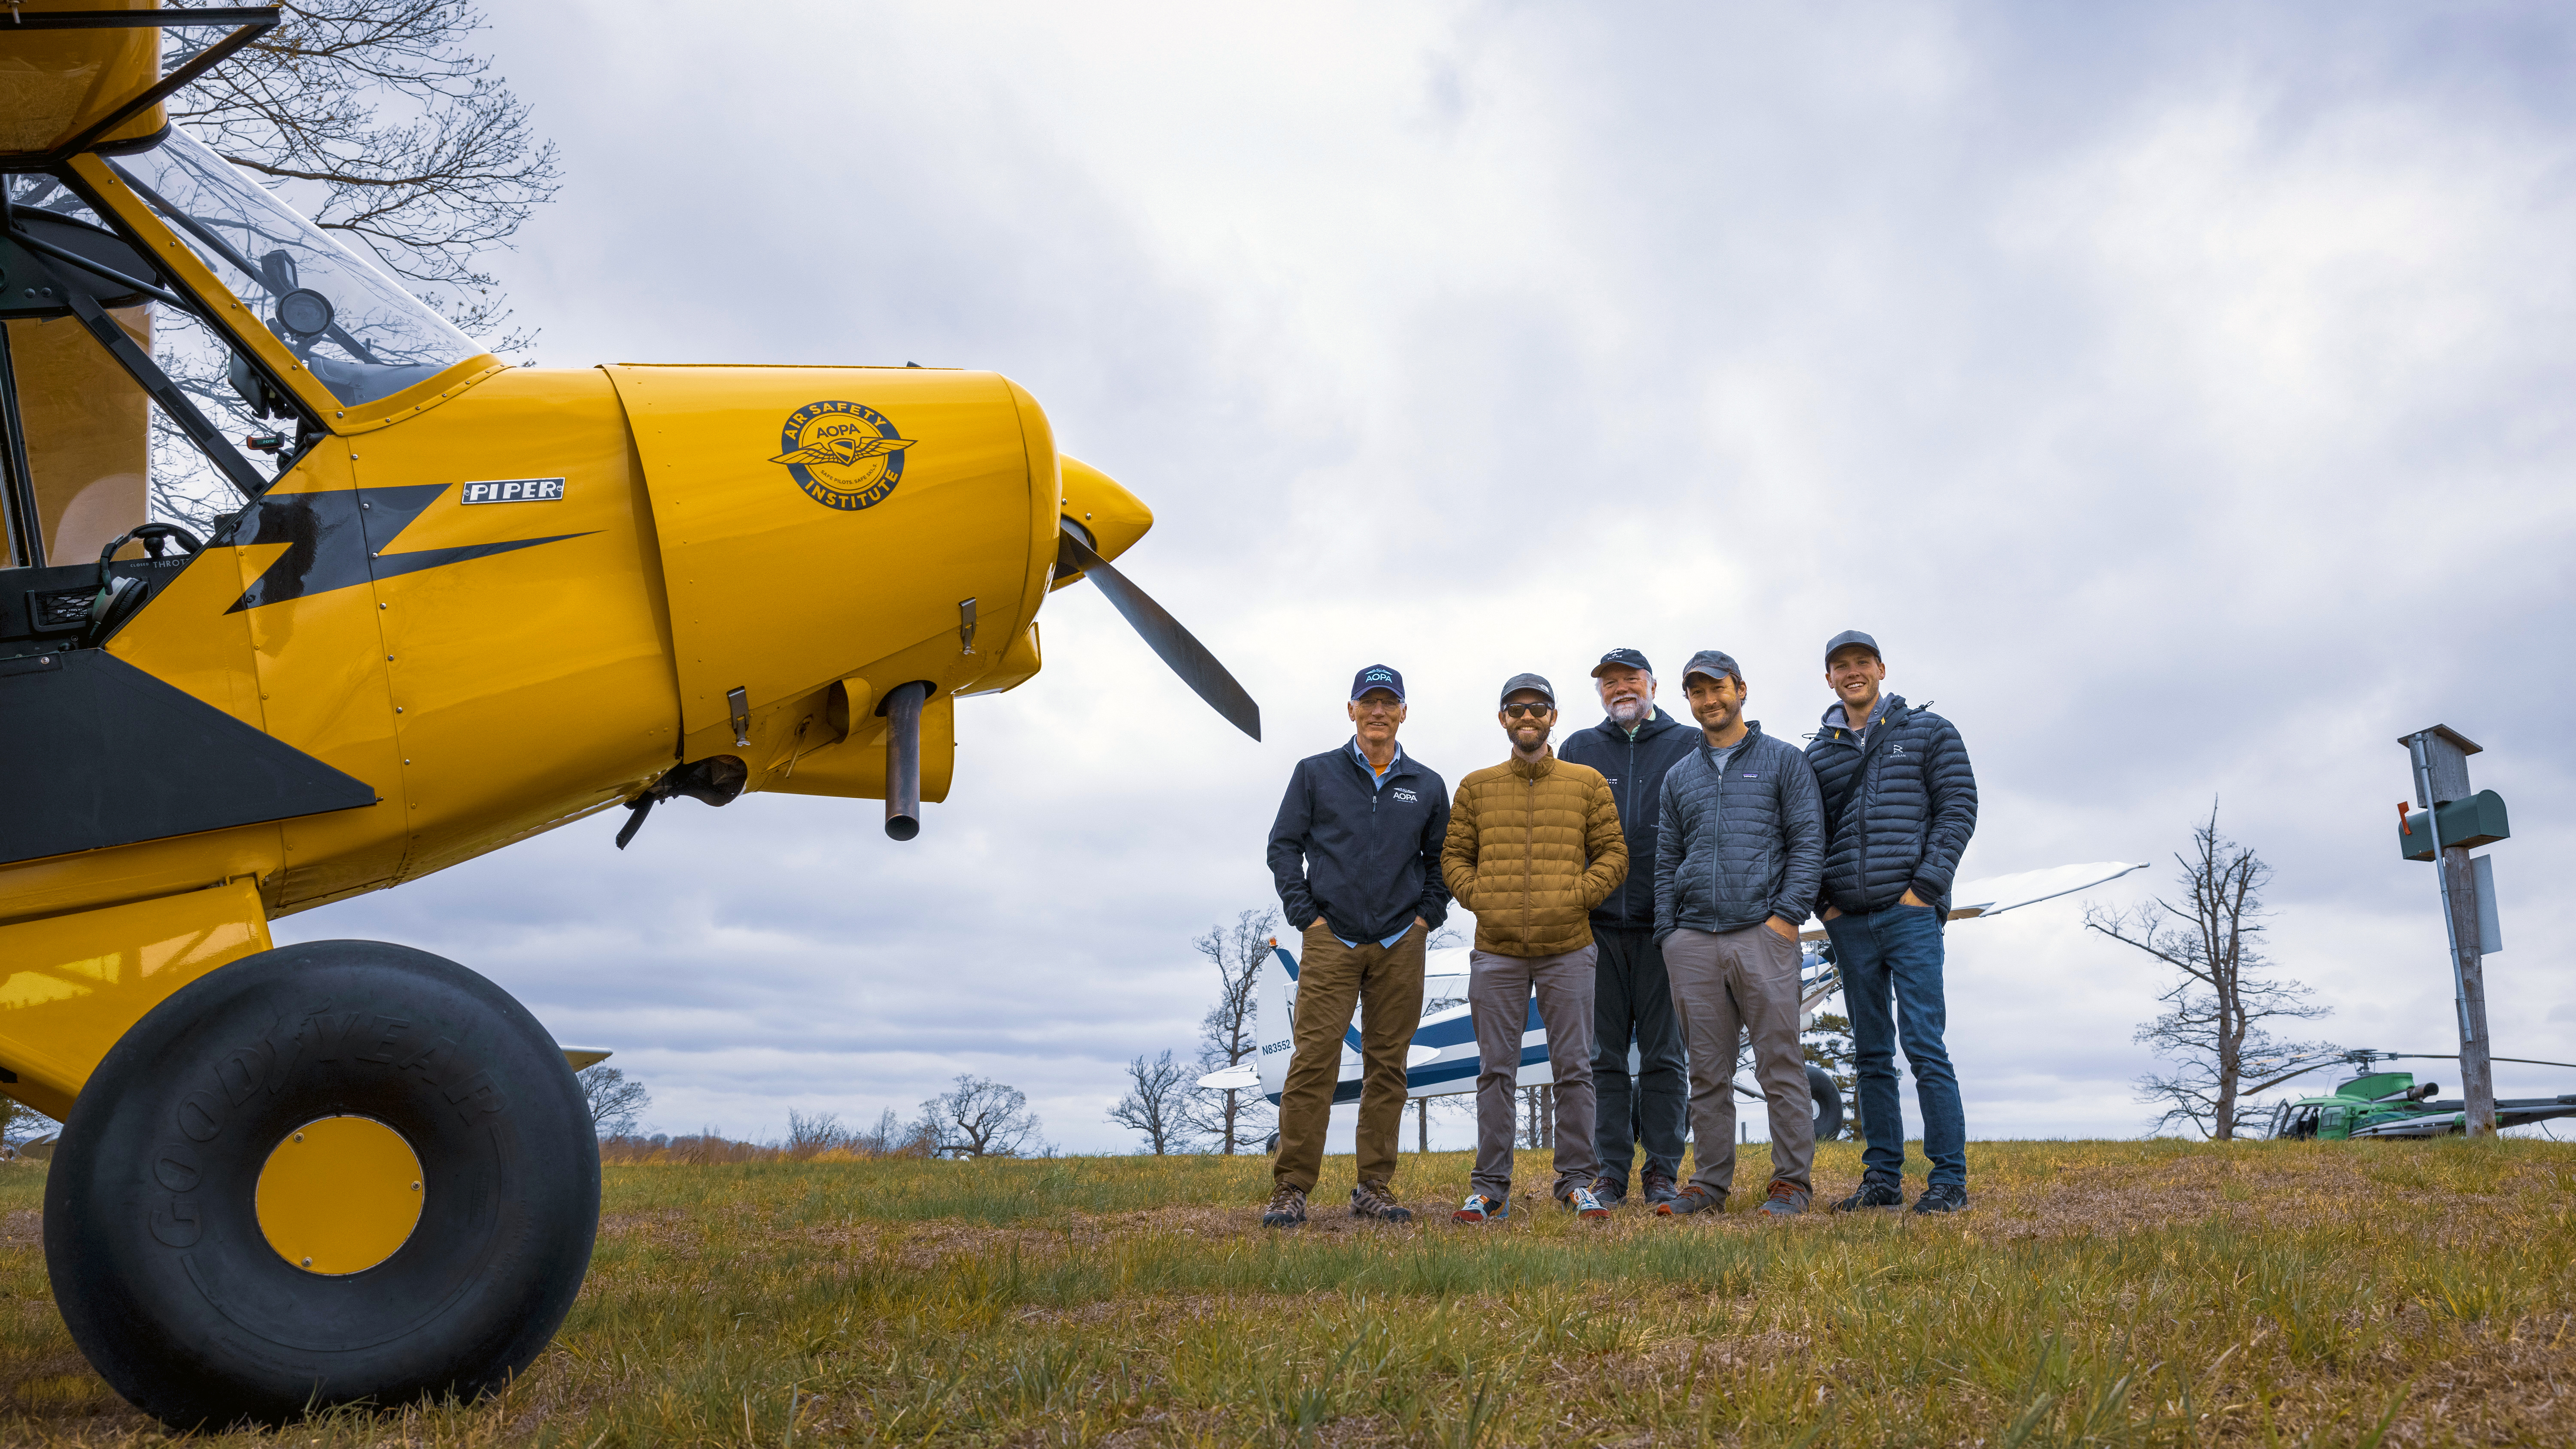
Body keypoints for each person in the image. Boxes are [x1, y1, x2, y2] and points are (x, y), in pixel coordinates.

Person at [1262, 664, 1452, 1227]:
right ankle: (1291, 1187)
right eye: (1368, 702)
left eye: (1388, 702)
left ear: (1403, 712)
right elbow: (1283, 846)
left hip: (1400, 943)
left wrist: (1425, 920)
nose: (1378, 711)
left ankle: (1373, 1186)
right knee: (1312, 1063)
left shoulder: (1427, 784)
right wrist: (1307, 918)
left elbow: (1442, 861)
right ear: (1351, 710)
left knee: (1388, 1068)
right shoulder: (1315, 773)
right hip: (1332, 941)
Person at [1440, 673, 1627, 1223]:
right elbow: (1454, 858)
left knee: (1575, 1068)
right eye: (1517, 708)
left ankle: (1576, 1183)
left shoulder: (1586, 783)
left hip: (1569, 946)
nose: (1528, 717)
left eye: (1538, 708)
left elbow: (1614, 854)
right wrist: (1484, 899)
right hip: (1496, 950)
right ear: (1503, 718)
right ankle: (1489, 1189)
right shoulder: (1475, 787)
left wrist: (1575, 898)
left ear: (1553, 717)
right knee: (1495, 1071)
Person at [1805, 630, 1979, 1215]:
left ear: (1881, 668)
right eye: (1840, 666)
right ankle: (1882, 1178)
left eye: (1862, 662)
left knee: (1925, 1045)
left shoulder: (1930, 732)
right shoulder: (1818, 756)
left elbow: (1958, 809)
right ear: (1829, 678)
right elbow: (1806, 835)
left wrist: (1923, 891)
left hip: (1910, 916)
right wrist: (1826, 905)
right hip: (1849, 923)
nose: (1852, 672)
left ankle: (1948, 1180)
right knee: (1872, 1055)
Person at [1651, 650, 1826, 1218]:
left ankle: (1792, 1183)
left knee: (1780, 1063)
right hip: (1693, 940)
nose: (1709, 700)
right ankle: (1708, 1185)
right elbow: (1666, 858)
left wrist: (1786, 918)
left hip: (1763, 933)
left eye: (1718, 688)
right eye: (1697, 692)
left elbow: (1808, 844)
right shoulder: (1679, 776)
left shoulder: (1784, 761)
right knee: (1707, 1071)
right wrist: (1669, 933)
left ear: (1741, 689)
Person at [1557, 647, 1696, 1208]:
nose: (1621, 688)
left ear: (1653, 684)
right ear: (1600, 692)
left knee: (1665, 1056)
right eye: (1609, 681)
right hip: (1595, 930)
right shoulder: (1578, 749)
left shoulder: (1689, 744)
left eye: (1630, 678)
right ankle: (1610, 1171)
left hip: (1665, 927)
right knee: (1603, 1059)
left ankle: (1662, 1170)